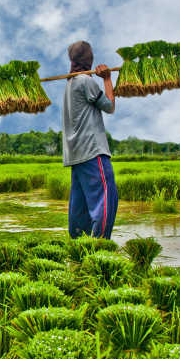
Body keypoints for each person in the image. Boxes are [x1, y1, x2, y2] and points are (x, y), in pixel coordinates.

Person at [62, 40, 118, 240]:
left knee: (81, 205)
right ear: (89, 58)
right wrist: (107, 79)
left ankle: (79, 245)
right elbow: (109, 106)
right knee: (105, 197)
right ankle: (100, 245)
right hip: (92, 150)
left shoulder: (70, 84)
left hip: (76, 154)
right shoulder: (85, 81)